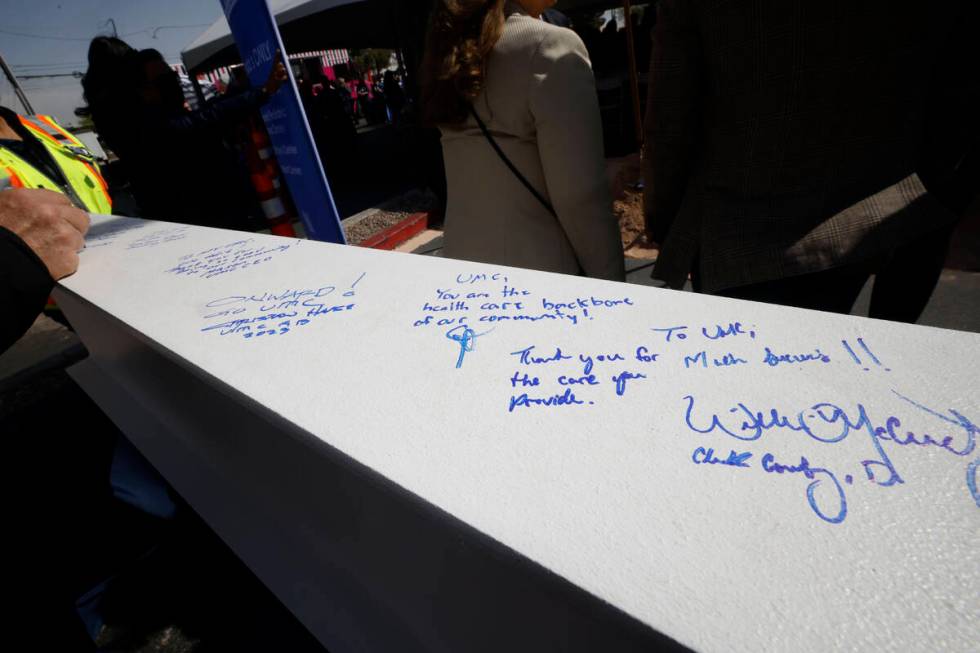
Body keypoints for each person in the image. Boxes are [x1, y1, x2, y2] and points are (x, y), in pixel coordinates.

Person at [643, 0, 978, 318]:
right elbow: (956, 89)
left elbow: (670, 120)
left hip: (743, 232)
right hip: (884, 207)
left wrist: (665, 220)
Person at [421, 0, 624, 281]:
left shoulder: (448, 48)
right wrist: (612, 283)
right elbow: (580, 199)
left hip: (464, 269)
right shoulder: (549, 46)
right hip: (541, 277)